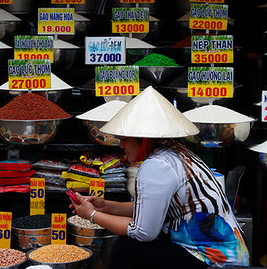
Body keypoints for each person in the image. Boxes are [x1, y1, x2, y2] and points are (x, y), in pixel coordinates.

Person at [69, 86, 249, 269]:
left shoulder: (156, 165)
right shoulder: (174, 152)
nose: (120, 144)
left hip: (213, 260)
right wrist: (107, 206)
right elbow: (151, 209)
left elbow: (143, 232)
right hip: (222, 255)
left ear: (144, 139)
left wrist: (92, 215)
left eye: (125, 138)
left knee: (125, 248)